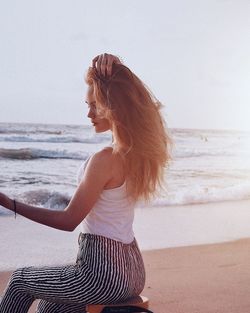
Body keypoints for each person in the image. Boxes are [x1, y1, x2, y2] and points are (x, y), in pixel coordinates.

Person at [0, 53, 171, 313]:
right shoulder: (138, 155)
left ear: (114, 107)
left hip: (101, 275)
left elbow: (69, 220)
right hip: (133, 272)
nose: (88, 113)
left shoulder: (106, 159)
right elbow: (148, 112)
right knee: (50, 307)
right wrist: (116, 67)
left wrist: (8, 203)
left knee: (19, 280)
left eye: (95, 105)